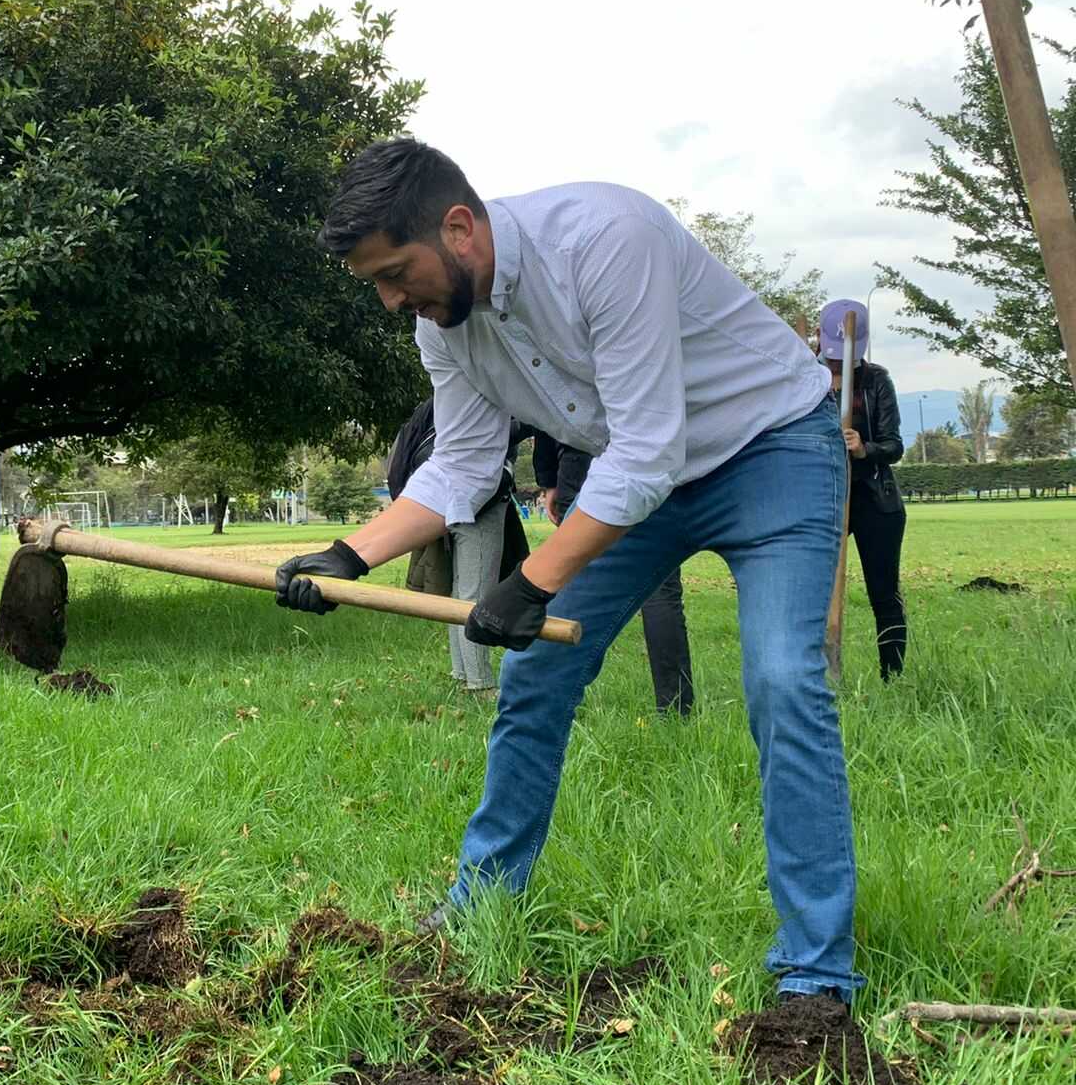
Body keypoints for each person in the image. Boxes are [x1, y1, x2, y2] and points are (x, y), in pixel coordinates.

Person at [274, 138, 861, 1005]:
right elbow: (462, 464)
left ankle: (815, 971)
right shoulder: (444, 327)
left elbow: (648, 449)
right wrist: (349, 555)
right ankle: (481, 905)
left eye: (396, 273)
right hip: (639, 478)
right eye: (377, 285)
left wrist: (531, 582)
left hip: (770, 450)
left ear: (459, 228)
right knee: (537, 675)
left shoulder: (604, 238)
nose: (393, 299)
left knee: (782, 679)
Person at [533, 430, 696, 716]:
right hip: (643, 459)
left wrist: (548, 478)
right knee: (661, 591)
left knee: (576, 589)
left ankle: (554, 702)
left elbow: (549, 415)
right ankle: (675, 704)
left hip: (583, 461)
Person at [387, 400, 529, 695]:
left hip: (447, 499)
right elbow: (492, 434)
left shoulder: (443, 400)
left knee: (461, 591)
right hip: (480, 502)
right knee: (475, 596)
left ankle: (462, 672)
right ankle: (480, 683)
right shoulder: (491, 393)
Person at [819, 299, 907, 680]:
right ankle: (819, 676)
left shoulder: (876, 381)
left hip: (874, 499)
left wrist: (864, 448)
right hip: (824, 499)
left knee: (884, 594)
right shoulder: (806, 378)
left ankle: (893, 677)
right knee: (816, 594)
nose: (838, 363)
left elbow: (895, 445)